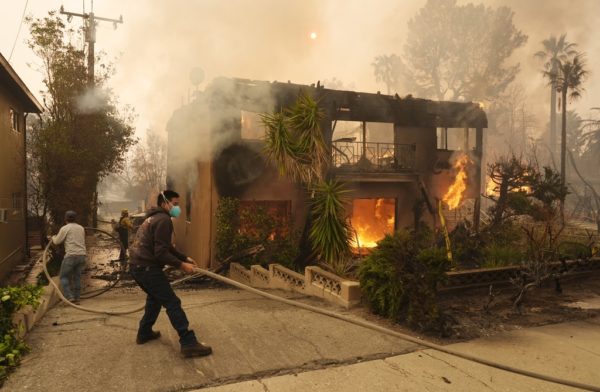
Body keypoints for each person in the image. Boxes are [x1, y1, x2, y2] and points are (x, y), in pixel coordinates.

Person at [128, 190, 212, 358]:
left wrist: (184, 257)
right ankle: (188, 343)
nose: (177, 208)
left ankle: (144, 333)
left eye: (178, 204)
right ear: (164, 203)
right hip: (147, 268)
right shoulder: (164, 220)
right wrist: (182, 265)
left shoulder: (153, 218)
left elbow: (166, 246)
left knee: (155, 299)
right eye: (175, 204)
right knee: (172, 302)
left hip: (137, 267)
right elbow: (161, 253)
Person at [52, 210, 87, 305]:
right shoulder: (81, 228)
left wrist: (53, 237)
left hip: (71, 256)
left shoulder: (65, 228)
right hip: (82, 256)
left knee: (63, 277)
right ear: (75, 219)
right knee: (77, 277)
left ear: (65, 219)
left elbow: (57, 242)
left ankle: (69, 297)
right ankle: (77, 298)